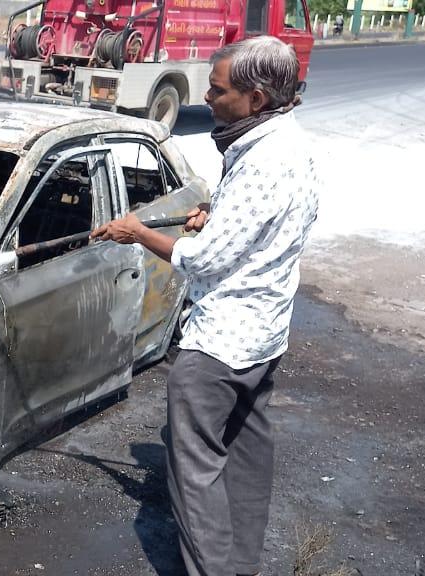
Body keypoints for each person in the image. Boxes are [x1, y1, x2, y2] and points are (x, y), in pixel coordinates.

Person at [89, 36, 320, 576]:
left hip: (221, 345)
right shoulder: (288, 142)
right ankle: (240, 566)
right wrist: (215, 213)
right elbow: (269, 222)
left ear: (256, 98)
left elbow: (204, 262)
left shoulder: (263, 161)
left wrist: (137, 231)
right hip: (264, 337)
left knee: (193, 477)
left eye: (217, 91)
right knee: (245, 461)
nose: (209, 98)